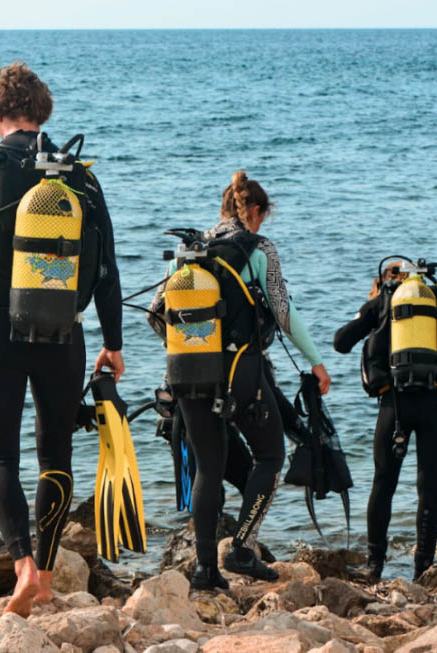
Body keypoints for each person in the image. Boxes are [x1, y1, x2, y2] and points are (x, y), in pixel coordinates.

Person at [0, 62, 123, 616]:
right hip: (65, 333)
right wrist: (114, 341)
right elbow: (106, 266)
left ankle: (23, 569)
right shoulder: (77, 174)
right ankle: (51, 571)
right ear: (43, 113)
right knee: (55, 453)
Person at [149, 172, 331, 591]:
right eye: (262, 217)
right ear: (253, 211)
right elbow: (284, 313)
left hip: (187, 372)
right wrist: (317, 363)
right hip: (240, 372)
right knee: (270, 456)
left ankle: (204, 570)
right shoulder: (260, 248)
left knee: (208, 468)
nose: (263, 225)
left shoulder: (191, 250)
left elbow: (155, 313)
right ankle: (242, 549)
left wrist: (188, 345)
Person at [333, 259, 437, 581]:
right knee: (429, 488)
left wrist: (371, 309)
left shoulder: (381, 303)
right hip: (435, 404)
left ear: (383, 282)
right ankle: (423, 568)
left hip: (394, 405)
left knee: (383, 484)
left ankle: (374, 565)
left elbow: (341, 343)